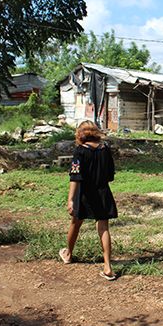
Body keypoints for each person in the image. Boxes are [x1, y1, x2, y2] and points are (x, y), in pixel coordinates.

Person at [58, 120, 118, 280]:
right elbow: (110, 174)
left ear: (80, 134)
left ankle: (68, 254)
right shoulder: (105, 149)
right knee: (104, 227)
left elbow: (75, 177)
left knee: (75, 223)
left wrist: (70, 199)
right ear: (96, 132)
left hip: (85, 194)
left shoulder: (80, 151)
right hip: (103, 192)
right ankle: (107, 266)